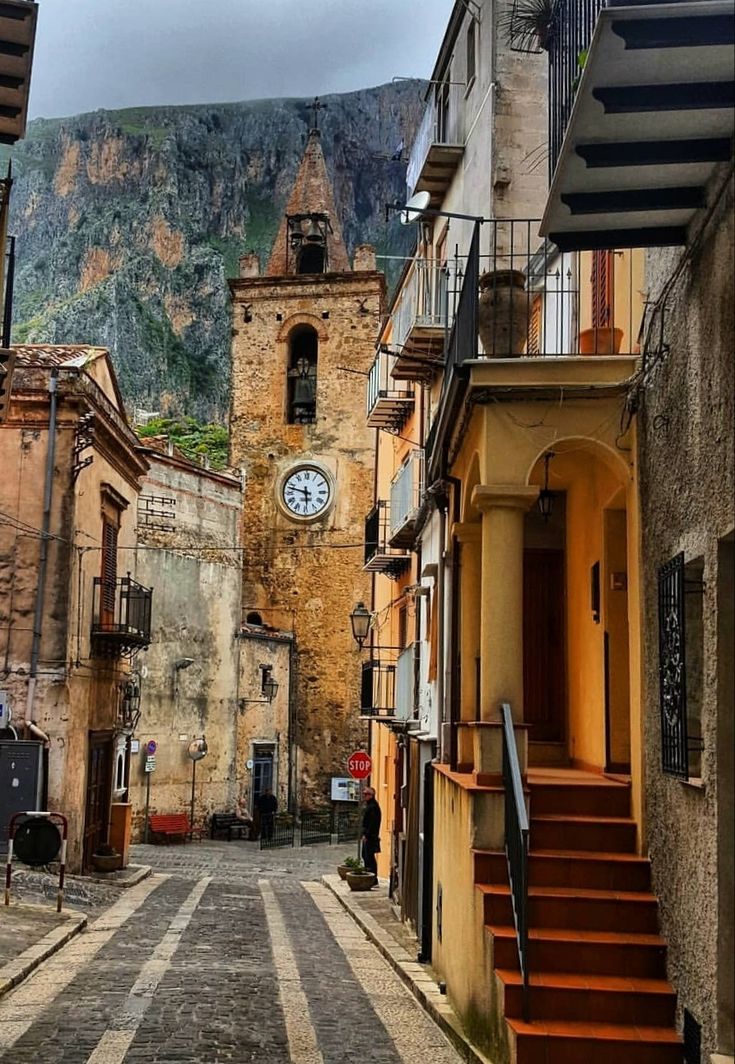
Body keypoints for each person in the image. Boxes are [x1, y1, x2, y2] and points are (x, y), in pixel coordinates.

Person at [361, 786, 382, 878]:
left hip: (371, 836)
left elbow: (372, 823)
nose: (364, 796)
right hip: (369, 835)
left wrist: (367, 835)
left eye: (366, 794)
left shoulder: (373, 807)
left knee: (369, 857)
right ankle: (369, 877)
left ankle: (372, 878)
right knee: (366, 856)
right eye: (363, 794)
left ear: (371, 795)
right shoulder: (370, 805)